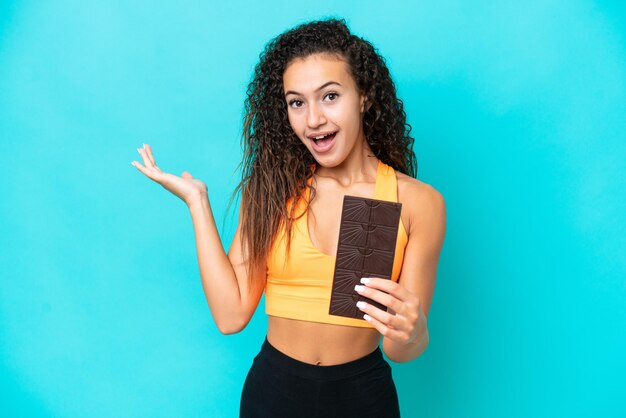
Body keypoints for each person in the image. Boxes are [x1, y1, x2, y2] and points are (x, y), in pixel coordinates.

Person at [132, 18, 446, 418]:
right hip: (273, 392)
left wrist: (415, 332)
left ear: (364, 96)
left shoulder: (418, 203)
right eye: (297, 102)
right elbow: (231, 316)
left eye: (329, 96)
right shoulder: (272, 192)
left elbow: (400, 350)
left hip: (362, 397)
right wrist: (197, 203)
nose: (313, 119)